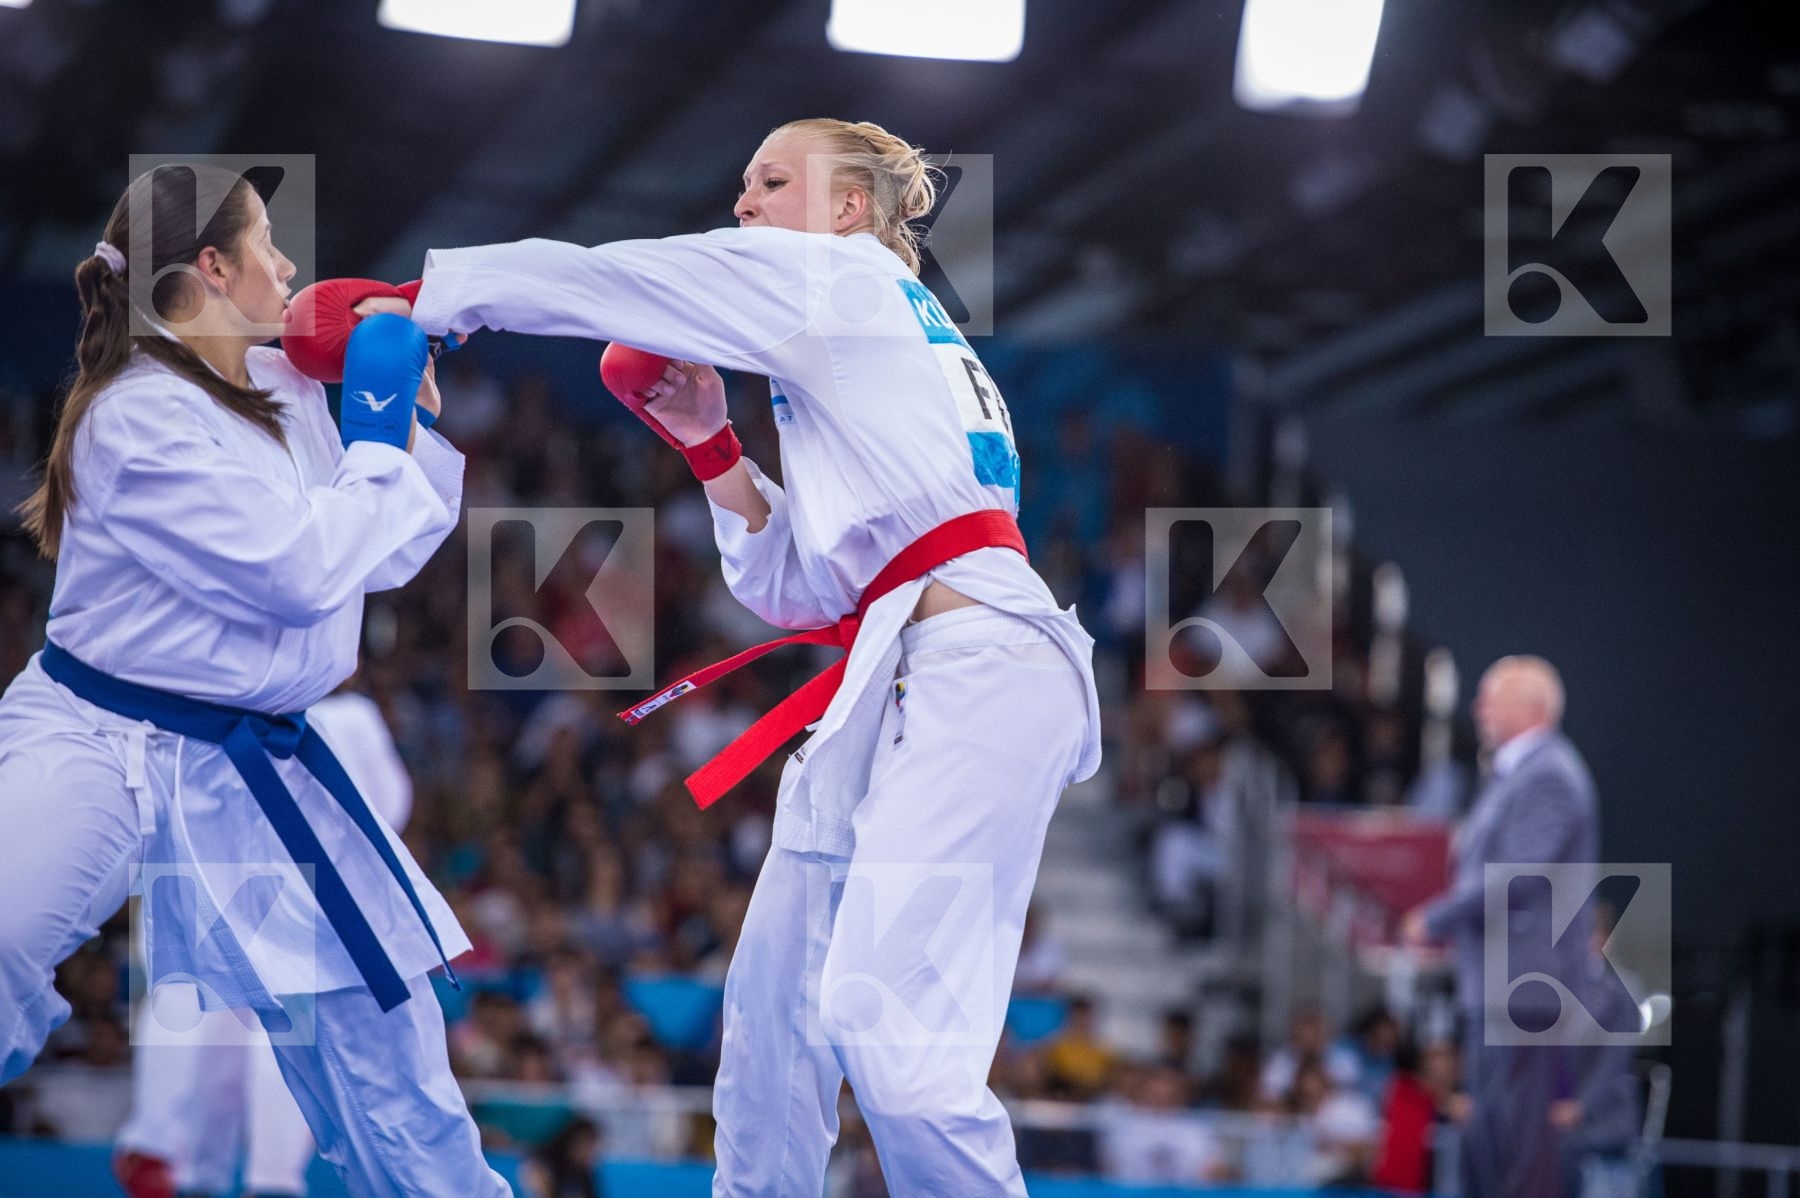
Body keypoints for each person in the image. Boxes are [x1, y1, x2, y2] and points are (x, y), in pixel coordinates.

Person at [406, 117, 1102, 1196]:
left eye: (772, 181)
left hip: (979, 666)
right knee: (775, 1012)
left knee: (887, 1025)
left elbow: (623, 280)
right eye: (744, 185)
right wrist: (712, 445)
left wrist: (431, 299)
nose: (744, 205)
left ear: (849, 211)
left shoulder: (843, 283)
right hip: (904, 667)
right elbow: (801, 590)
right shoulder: (862, 340)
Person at [0, 163, 507, 1196]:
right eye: (267, 244)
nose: (288, 267)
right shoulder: (134, 416)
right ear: (213, 267)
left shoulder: (287, 389)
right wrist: (373, 440)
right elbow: (297, 571)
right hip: (102, 739)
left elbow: (383, 558)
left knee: (387, 1041)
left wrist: (401, 419)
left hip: (257, 762)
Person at [112, 685, 416, 1198]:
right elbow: (390, 806)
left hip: (211, 875)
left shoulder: (195, 693)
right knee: (273, 1030)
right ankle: (266, 1176)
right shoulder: (351, 715)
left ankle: (168, 1150)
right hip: (298, 889)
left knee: (195, 1016)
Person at [1402, 655, 1600, 1198]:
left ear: (1530, 706)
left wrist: (1437, 918)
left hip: (1525, 991)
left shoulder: (1549, 775)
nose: (1477, 708)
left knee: (1520, 1147)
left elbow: (1518, 876)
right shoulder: (1518, 774)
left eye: (1490, 697)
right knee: (1493, 1143)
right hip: (1501, 988)